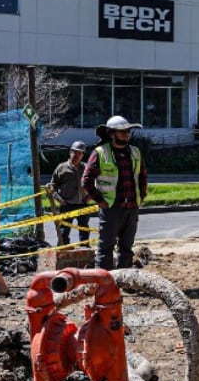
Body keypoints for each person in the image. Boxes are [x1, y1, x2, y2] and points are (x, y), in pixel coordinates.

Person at [84, 115, 147, 269]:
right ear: (112, 133)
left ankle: (123, 280)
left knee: (126, 248)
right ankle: (103, 284)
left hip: (131, 207)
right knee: (106, 248)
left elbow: (142, 176)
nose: (127, 134)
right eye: (122, 131)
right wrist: (101, 201)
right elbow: (86, 180)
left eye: (128, 131)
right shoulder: (100, 153)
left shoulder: (135, 152)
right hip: (111, 208)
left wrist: (142, 195)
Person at [48, 141, 90, 246]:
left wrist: (90, 196)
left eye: (79, 153)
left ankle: (85, 250)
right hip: (66, 204)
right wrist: (59, 199)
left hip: (82, 204)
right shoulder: (61, 168)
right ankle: (63, 250)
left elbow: (95, 184)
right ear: (70, 152)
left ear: (82, 155)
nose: (76, 155)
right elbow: (52, 186)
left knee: (84, 229)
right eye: (74, 152)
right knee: (63, 231)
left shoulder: (86, 168)